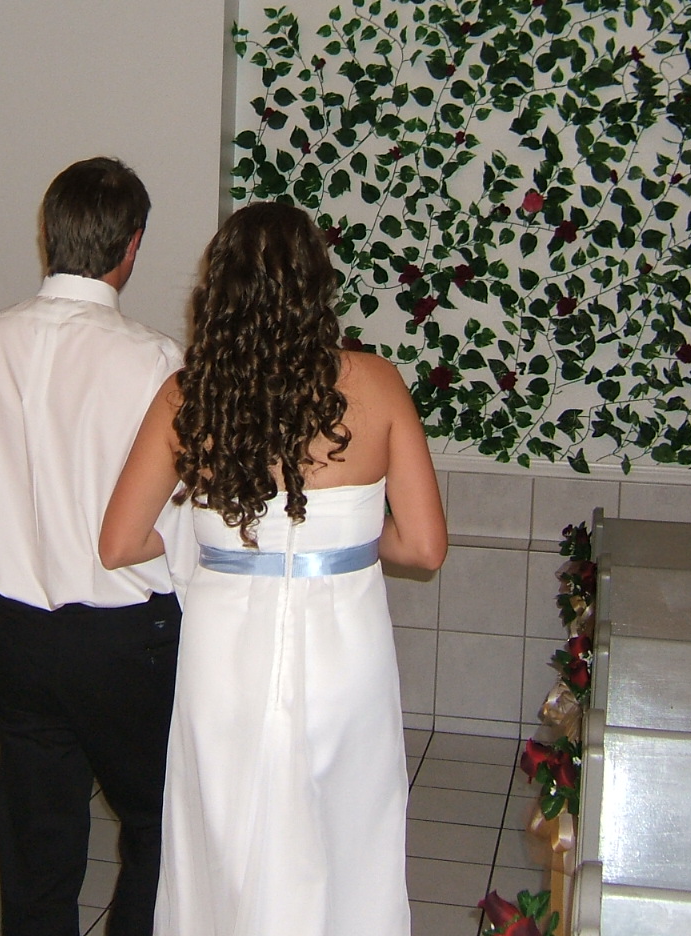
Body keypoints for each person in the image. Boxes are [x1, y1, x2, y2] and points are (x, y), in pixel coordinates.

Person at [100, 201, 448, 936]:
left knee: (223, 837)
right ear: (319, 286)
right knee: (346, 835)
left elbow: (120, 543)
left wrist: (208, 547)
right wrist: (349, 536)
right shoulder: (377, 383)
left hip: (225, 655)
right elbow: (423, 547)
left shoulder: (188, 396)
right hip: (343, 657)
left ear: (218, 290)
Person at [0, 157, 185, 936]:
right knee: (159, 828)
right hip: (127, 638)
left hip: (19, 636)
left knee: (36, 851)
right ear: (132, 245)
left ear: (49, 234)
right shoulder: (157, 362)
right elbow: (184, 517)